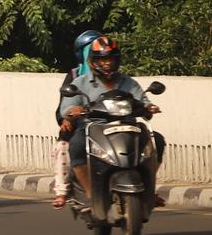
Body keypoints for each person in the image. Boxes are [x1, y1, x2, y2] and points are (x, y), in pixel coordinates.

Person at [59, 36, 164, 204]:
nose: (107, 63)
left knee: (156, 141)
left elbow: (143, 101)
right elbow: (67, 107)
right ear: (93, 61)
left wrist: (149, 107)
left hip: (127, 128)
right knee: (77, 146)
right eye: (102, 59)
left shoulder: (128, 82)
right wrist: (74, 110)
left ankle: (149, 189)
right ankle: (90, 193)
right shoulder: (81, 82)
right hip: (93, 128)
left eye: (111, 59)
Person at [51, 30, 101, 208]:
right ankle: (62, 189)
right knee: (64, 144)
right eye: (91, 52)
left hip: (110, 122)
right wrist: (67, 117)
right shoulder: (74, 77)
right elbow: (63, 105)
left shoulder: (115, 75)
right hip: (82, 123)